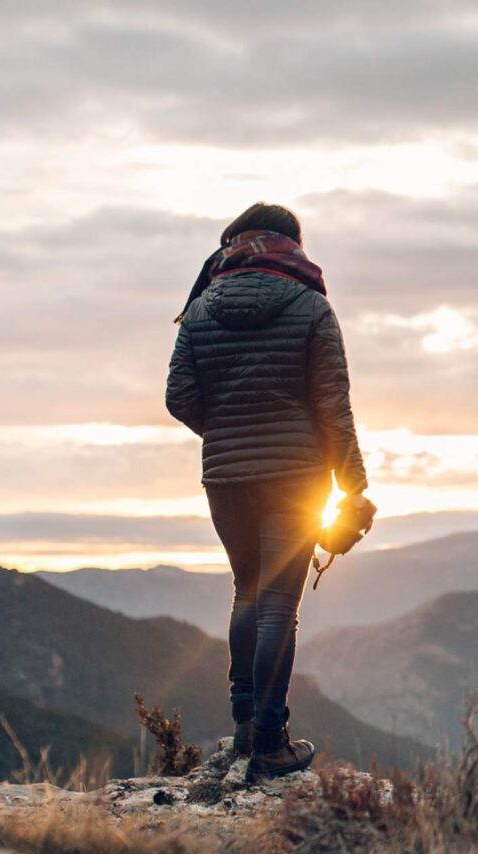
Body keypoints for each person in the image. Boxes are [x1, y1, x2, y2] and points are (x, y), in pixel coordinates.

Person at [165, 202, 370, 779]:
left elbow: (178, 397)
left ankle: (242, 724)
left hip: (226, 478)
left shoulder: (201, 308)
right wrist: (353, 485)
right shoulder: (311, 306)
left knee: (247, 591)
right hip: (295, 476)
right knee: (280, 600)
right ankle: (270, 743)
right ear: (293, 246)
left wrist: (230, 432)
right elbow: (334, 405)